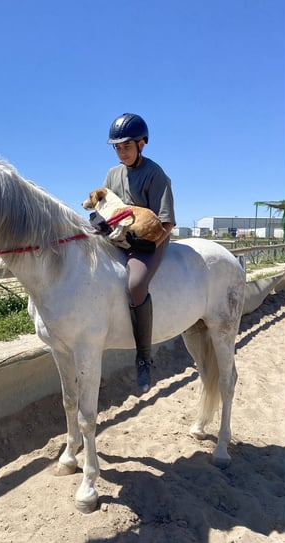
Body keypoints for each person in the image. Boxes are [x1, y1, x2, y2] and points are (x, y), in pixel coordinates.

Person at [102, 113, 176, 393]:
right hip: (119, 235)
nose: (122, 152)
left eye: (127, 146)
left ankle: (144, 359)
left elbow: (167, 221)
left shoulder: (155, 174)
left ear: (142, 144)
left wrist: (151, 245)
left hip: (150, 238)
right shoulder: (113, 174)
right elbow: (105, 206)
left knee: (135, 284)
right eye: (117, 147)